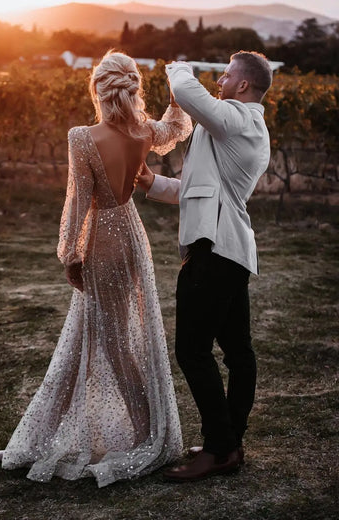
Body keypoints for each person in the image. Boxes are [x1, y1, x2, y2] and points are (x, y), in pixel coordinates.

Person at [0, 50, 192, 488]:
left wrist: (70, 253)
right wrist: (177, 93)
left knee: (112, 339)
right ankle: (44, 432)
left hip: (103, 241)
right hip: (132, 237)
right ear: (130, 89)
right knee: (98, 335)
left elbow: (79, 202)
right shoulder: (144, 131)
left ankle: (145, 429)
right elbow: (177, 126)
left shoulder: (82, 137)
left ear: (98, 90)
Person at [138, 51, 273, 482]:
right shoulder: (237, 127)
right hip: (228, 252)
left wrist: (178, 66)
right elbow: (202, 189)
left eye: (227, 76)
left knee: (192, 351)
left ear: (244, 86)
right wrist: (153, 183)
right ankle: (228, 442)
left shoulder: (241, 118)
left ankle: (219, 448)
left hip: (214, 251)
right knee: (237, 353)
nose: (220, 81)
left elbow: (184, 91)